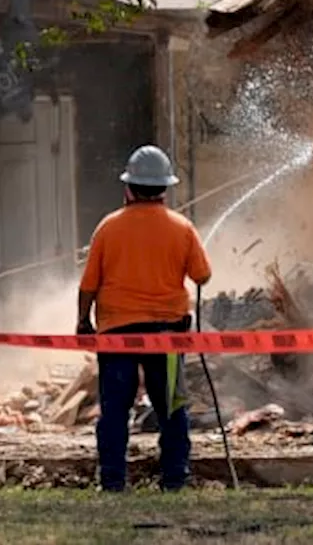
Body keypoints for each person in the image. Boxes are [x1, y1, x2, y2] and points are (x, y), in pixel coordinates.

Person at [76, 145, 213, 493]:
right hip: (167, 333)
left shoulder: (108, 228)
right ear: (164, 189)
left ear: (128, 188)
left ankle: (112, 481)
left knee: (115, 409)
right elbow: (202, 276)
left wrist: (83, 322)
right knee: (171, 406)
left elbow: (88, 285)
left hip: (117, 332)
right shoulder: (182, 228)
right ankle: (175, 479)